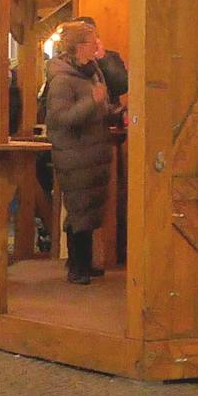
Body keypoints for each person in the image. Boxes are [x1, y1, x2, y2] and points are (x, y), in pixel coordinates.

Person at [43, 20, 117, 285]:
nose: (97, 45)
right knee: (80, 210)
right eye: (91, 41)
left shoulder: (92, 73)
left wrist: (113, 111)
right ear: (78, 46)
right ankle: (77, 267)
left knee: (90, 209)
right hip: (74, 154)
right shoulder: (63, 80)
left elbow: (99, 107)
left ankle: (84, 263)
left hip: (91, 153)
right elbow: (62, 118)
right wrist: (92, 101)